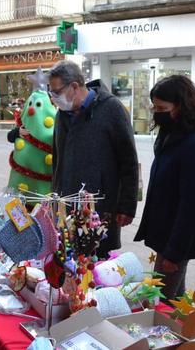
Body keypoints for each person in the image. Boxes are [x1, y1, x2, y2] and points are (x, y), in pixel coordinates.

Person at [134, 75, 195, 301]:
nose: (155, 111)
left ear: (181, 107)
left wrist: (174, 253)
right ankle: (182, 329)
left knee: (160, 301)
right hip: (165, 235)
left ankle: (173, 333)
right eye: (154, 106)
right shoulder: (172, 132)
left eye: (161, 107)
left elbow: (192, 206)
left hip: (175, 241)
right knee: (174, 298)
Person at [49, 60, 139, 258]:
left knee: (95, 265)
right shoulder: (61, 115)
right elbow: (58, 161)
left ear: (74, 86)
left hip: (100, 209)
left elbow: (129, 161)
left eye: (56, 92)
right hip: (65, 208)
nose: (53, 98)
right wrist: (54, 197)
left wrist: (127, 205)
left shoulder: (111, 109)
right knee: (66, 264)